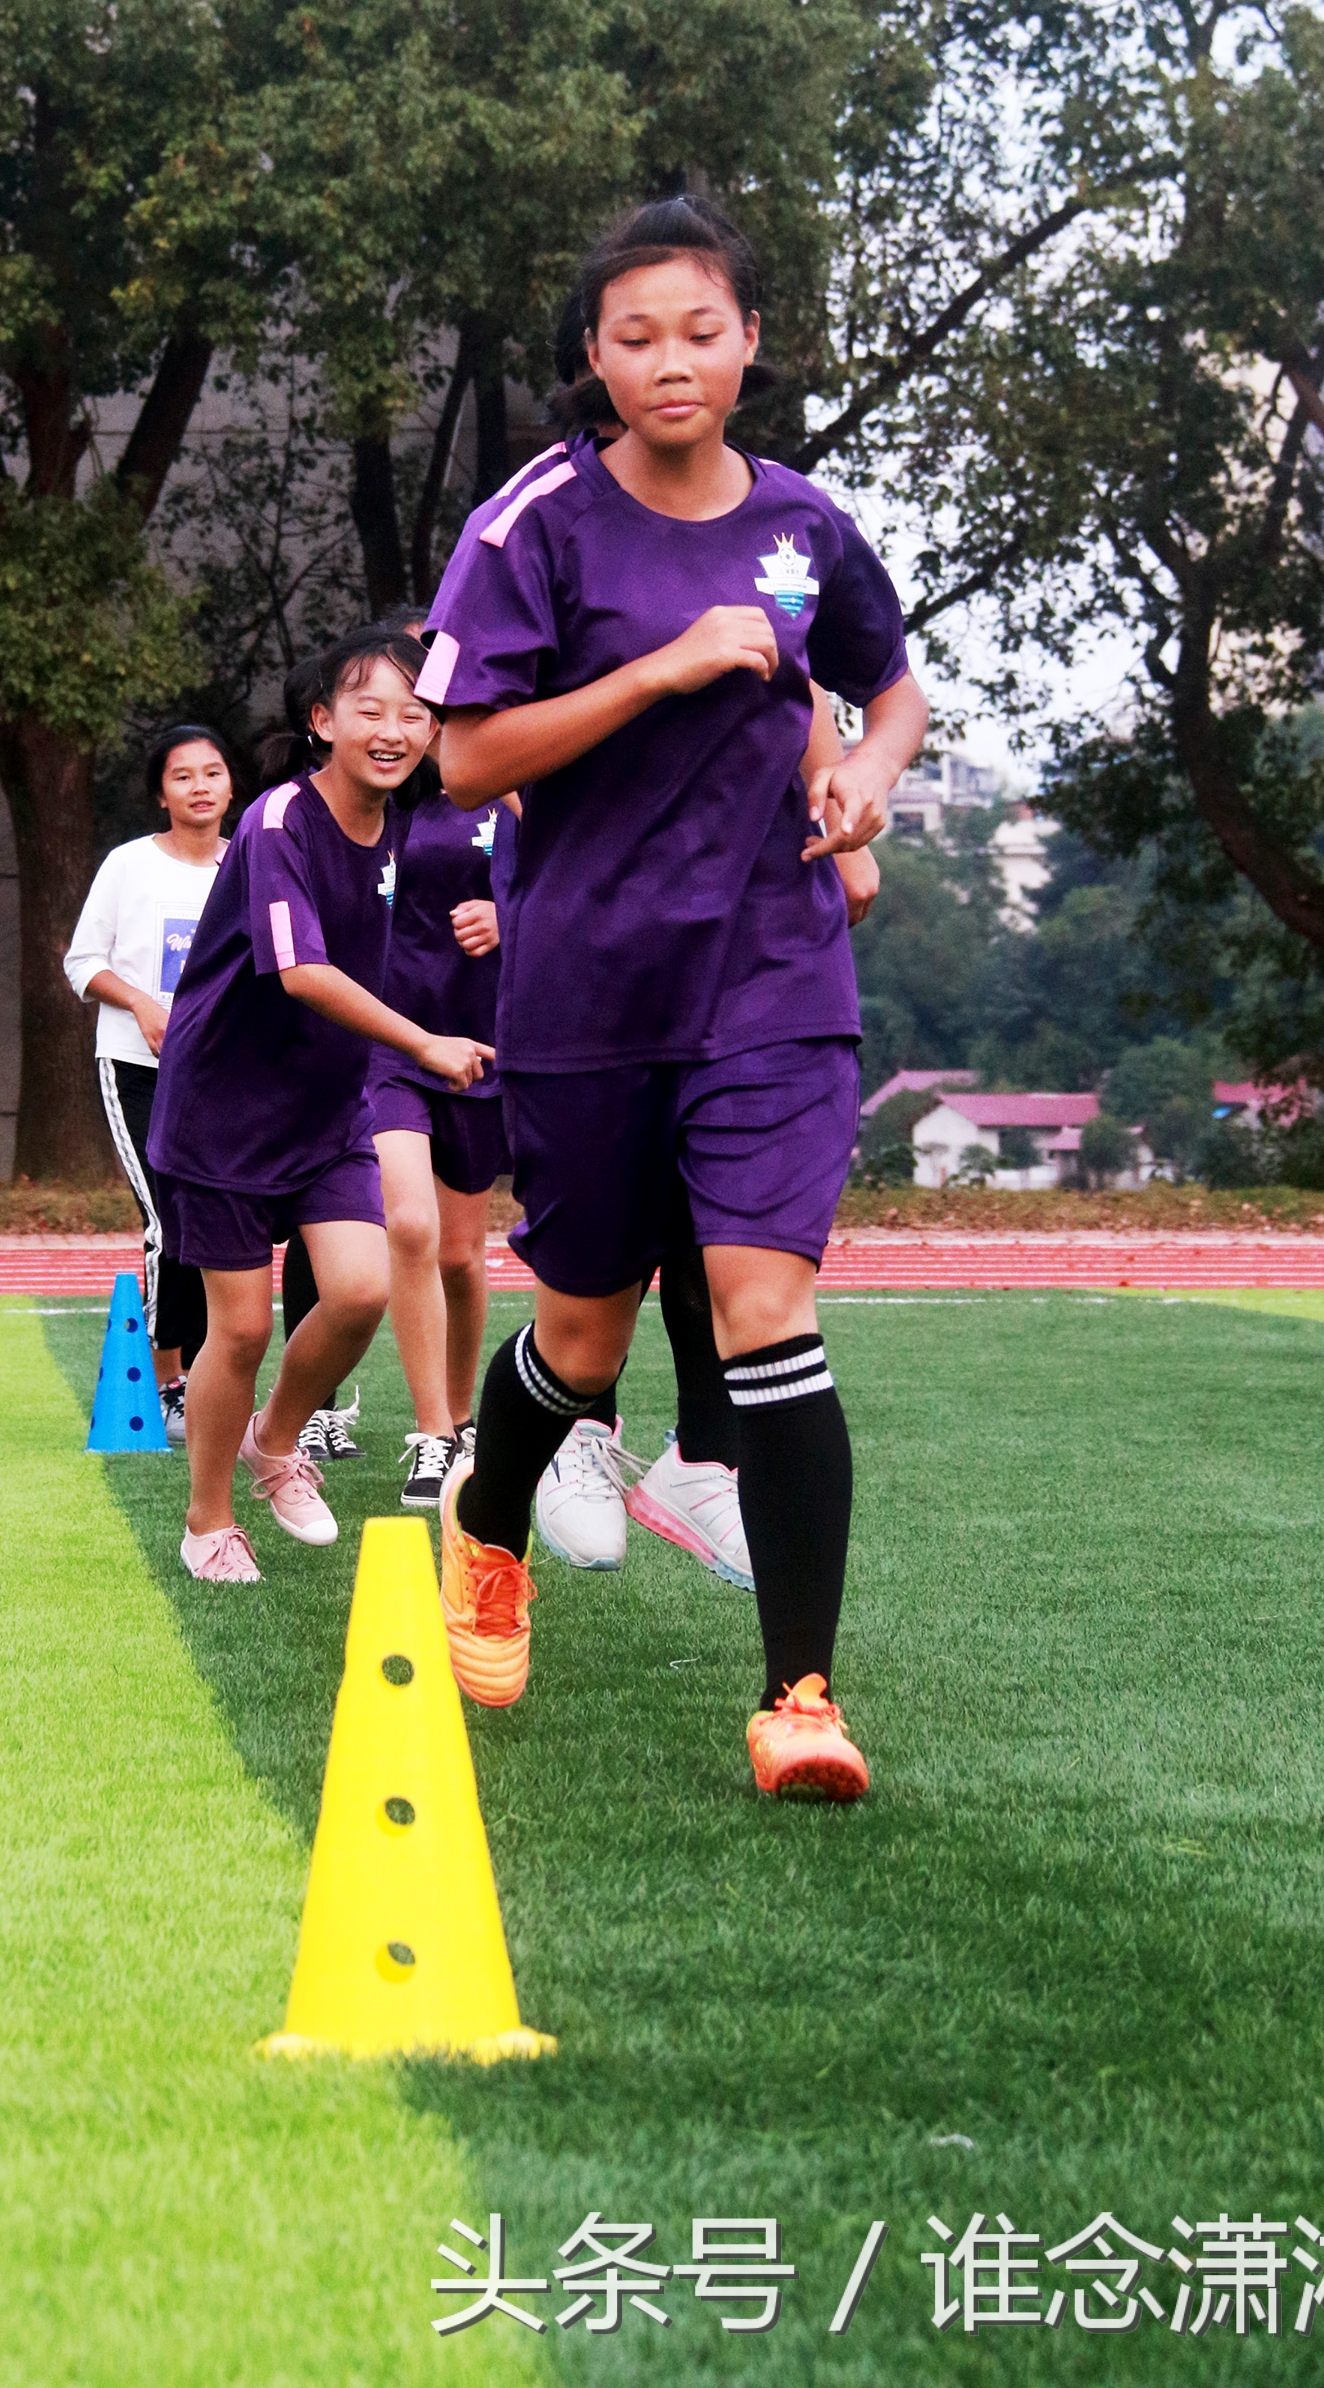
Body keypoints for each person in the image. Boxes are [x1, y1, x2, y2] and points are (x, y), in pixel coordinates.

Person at [418, 191, 927, 1800]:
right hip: (588, 985)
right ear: (594, 355)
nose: (671, 360)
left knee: (768, 1307)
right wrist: (659, 665)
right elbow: (464, 755)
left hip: (773, 972)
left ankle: (800, 1696)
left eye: (701, 329)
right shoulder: (533, 525)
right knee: (580, 1330)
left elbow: (888, 682)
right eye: (635, 336)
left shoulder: (807, 525)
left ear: (751, 339)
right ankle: (487, 1524)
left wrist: (861, 770)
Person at [146, 627, 494, 1583]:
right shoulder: (278, 821)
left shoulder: (403, 821)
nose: (394, 728)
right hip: (221, 1111)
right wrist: (421, 1040)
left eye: (414, 711)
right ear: (320, 720)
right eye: (369, 708)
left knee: (360, 1287)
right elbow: (299, 970)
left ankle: (274, 1440)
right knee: (244, 1327)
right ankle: (206, 1521)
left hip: (325, 1108)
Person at [536, 693, 883, 1576]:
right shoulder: (558, 565)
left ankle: (702, 1457)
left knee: (728, 1235)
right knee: (593, 1281)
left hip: (741, 952)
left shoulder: (784, 564)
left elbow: (822, 676)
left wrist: (838, 783)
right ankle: (560, 1443)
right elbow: (485, 753)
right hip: (595, 947)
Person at [64, 724, 236, 1442]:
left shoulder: (251, 863)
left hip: (226, 1075)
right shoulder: (128, 865)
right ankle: (169, 1380)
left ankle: (209, 1373)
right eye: (181, 775)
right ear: (160, 793)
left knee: (217, 1226)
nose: (199, 785)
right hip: (136, 1067)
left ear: (231, 785)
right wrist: (141, 1002)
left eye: (212, 771)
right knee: (168, 1223)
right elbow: (82, 963)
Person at [368, 760, 521, 1510]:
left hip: (485, 1047)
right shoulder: (373, 806)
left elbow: (595, 894)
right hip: (392, 1044)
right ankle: (432, 1431)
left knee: (460, 1255)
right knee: (408, 1225)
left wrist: (510, 915)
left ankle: (460, 1418)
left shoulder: (524, 790)